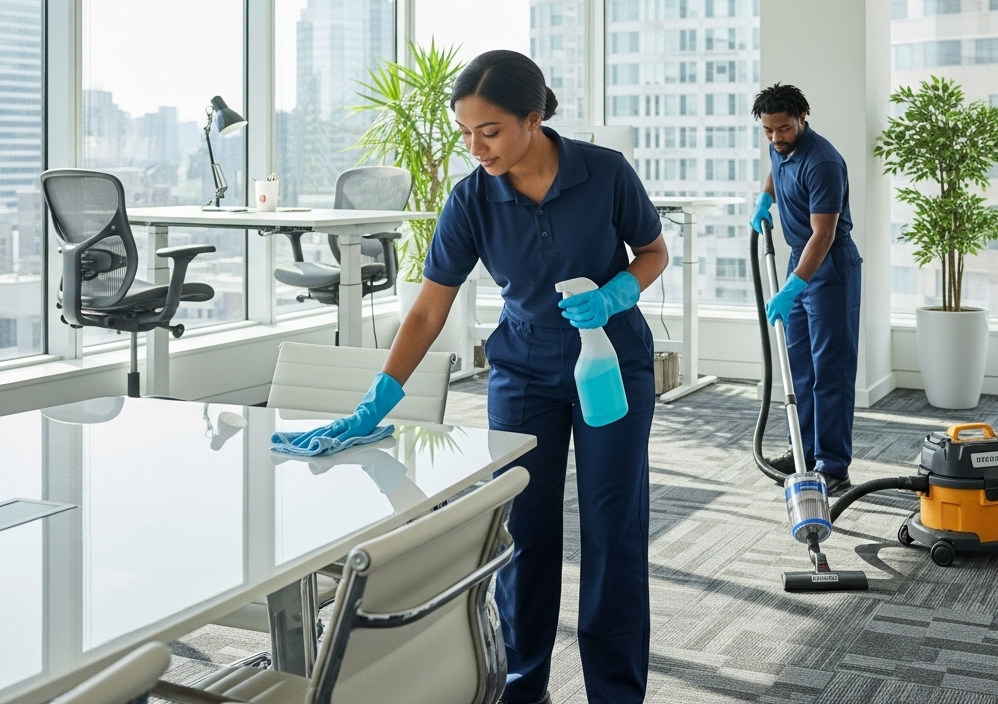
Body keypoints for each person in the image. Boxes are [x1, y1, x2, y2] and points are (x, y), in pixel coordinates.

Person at [297, 50, 667, 704]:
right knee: (522, 530)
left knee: (614, 529)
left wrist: (615, 294)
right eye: (465, 133)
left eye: (489, 131)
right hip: (522, 367)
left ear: (532, 119)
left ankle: (616, 694)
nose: (476, 146)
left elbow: (652, 253)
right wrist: (379, 397)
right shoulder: (472, 198)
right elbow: (429, 308)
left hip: (610, 363)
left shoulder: (605, 173)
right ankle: (521, 689)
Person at [749, 83, 863, 494]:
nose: (776, 138)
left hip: (829, 265)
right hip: (800, 260)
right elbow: (776, 174)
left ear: (802, 118)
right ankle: (806, 450)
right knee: (799, 366)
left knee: (829, 370)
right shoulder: (778, 148)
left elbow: (824, 234)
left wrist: (792, 286)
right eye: (768, 131)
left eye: (784, 129)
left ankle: (833, 465)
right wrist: (765, 198)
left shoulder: (824, 162)